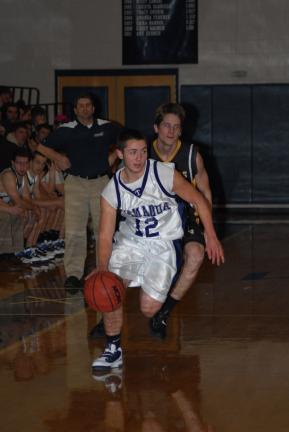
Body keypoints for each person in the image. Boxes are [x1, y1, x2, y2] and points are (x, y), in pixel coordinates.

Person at [89, 129, 224, 370]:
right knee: (110, 287)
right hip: (131, 243)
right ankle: (113, 349)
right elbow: (104, 235)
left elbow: (198, 199)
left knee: (149, 309)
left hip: (164, 244)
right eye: (132, 153)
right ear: (120, 154)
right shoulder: (112, 190)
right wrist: (101, 268)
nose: (139, 158)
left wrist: (211, 236)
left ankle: (159, 297)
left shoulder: (163, 173)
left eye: (142, 151)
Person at [37, 93, 120, 292]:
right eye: (80, 106)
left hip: (101, 182)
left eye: (88, 105)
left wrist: (113, 158)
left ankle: (105, 269)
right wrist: (57, 156)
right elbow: (41, 146)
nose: (84, 109)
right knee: (74, 230)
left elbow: (126, 142)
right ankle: (73, 274)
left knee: (104, 230)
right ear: (75, 110)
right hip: (75, 183)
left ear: (93, 108)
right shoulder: (66, 130)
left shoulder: (107, 127)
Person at [148, 102, 213, 338]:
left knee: (195, 255)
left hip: (185, 217)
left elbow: (205, 193)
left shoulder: (192, 155)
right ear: (156, 127)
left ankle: (164, 312)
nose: (171, 131)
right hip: (153, 218)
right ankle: (108, 322)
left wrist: (208, 227)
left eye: (176, 127)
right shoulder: (142, 152)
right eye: (166, 126)